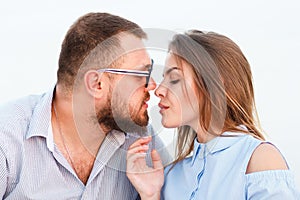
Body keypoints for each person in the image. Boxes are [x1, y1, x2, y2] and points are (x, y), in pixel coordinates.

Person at [0, 12, 170, 199]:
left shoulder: (141, 140)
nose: (153, 85)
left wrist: (152, 196)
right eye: (141, 74)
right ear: (97, 84)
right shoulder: (7, 138)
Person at [126, 30, 300, 199]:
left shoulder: (260, 160)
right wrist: (151, 195)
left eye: (174, 79)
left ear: (212, 85)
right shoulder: (169, 177)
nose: (159, 90)